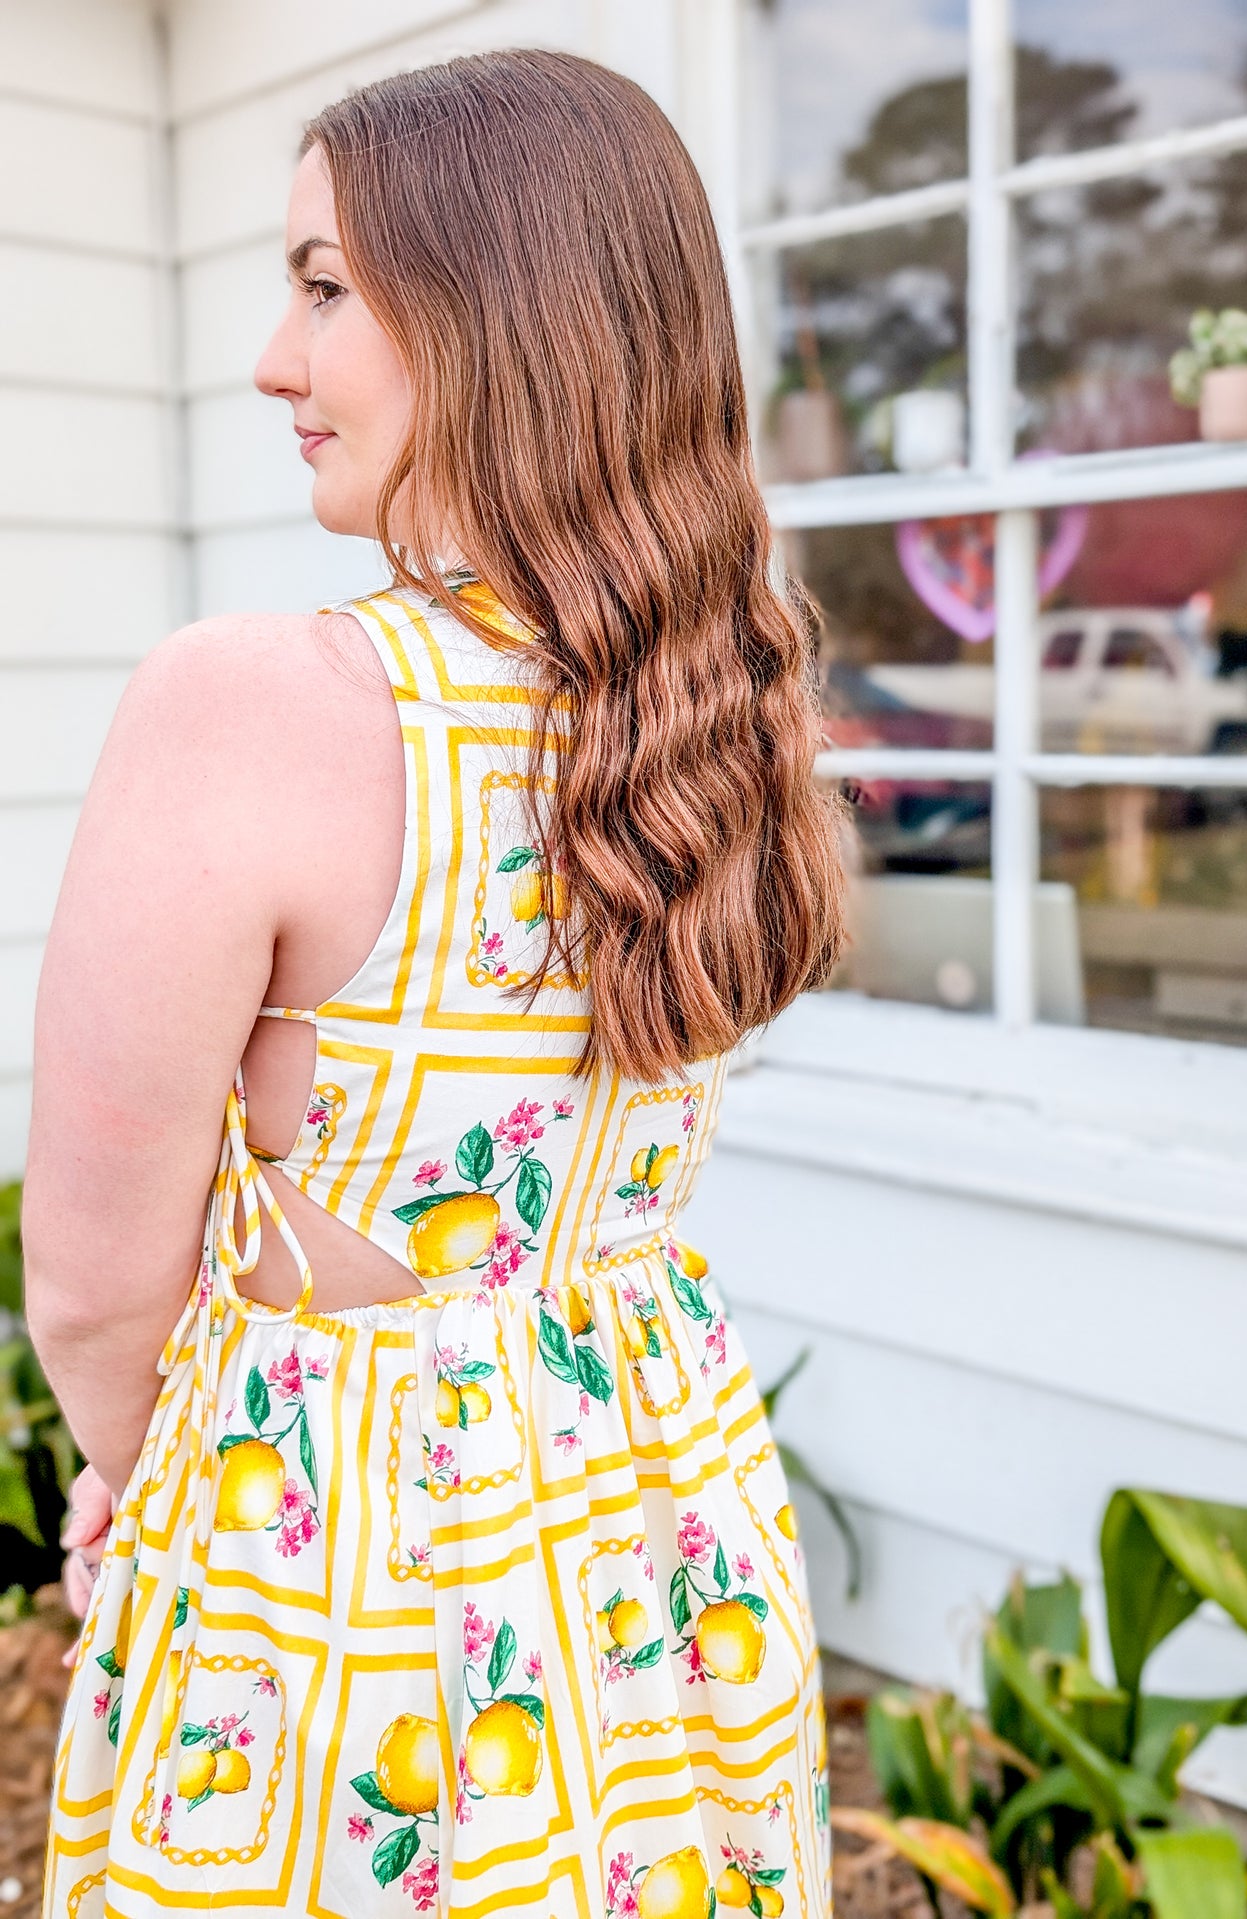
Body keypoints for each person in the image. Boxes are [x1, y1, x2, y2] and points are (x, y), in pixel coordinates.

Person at [26, 49, 845, 1918]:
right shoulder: (718, 708)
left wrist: (137, 1476)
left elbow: (88, 1275)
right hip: (651, 1512)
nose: (271, 359)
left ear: (499, 316)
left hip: (345, 1562)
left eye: (323, 284)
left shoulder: (255, 705)